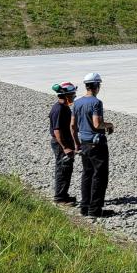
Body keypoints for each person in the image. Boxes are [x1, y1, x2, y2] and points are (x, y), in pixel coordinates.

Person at [70, 72, 113, 219]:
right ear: (96, 86)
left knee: (87, 174)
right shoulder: (96, 103)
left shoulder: (77, 102)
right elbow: (97, 124)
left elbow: (72, 125)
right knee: (100, 176)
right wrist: (109, 125)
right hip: (97, 144)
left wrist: (77, 144)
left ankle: (84, 207)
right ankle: (95, 210)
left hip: (84, 143)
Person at [48, 81, 78, 206]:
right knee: (62, 169)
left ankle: (63, 195)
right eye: (72, 94)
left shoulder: (63, 107)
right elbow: (57, 131)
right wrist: (65, 147)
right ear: (66, 95)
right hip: (61, 144)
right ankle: (60, 198)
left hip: (65, 143)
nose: (74, 97)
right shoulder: (59, 109)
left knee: (66, 169)